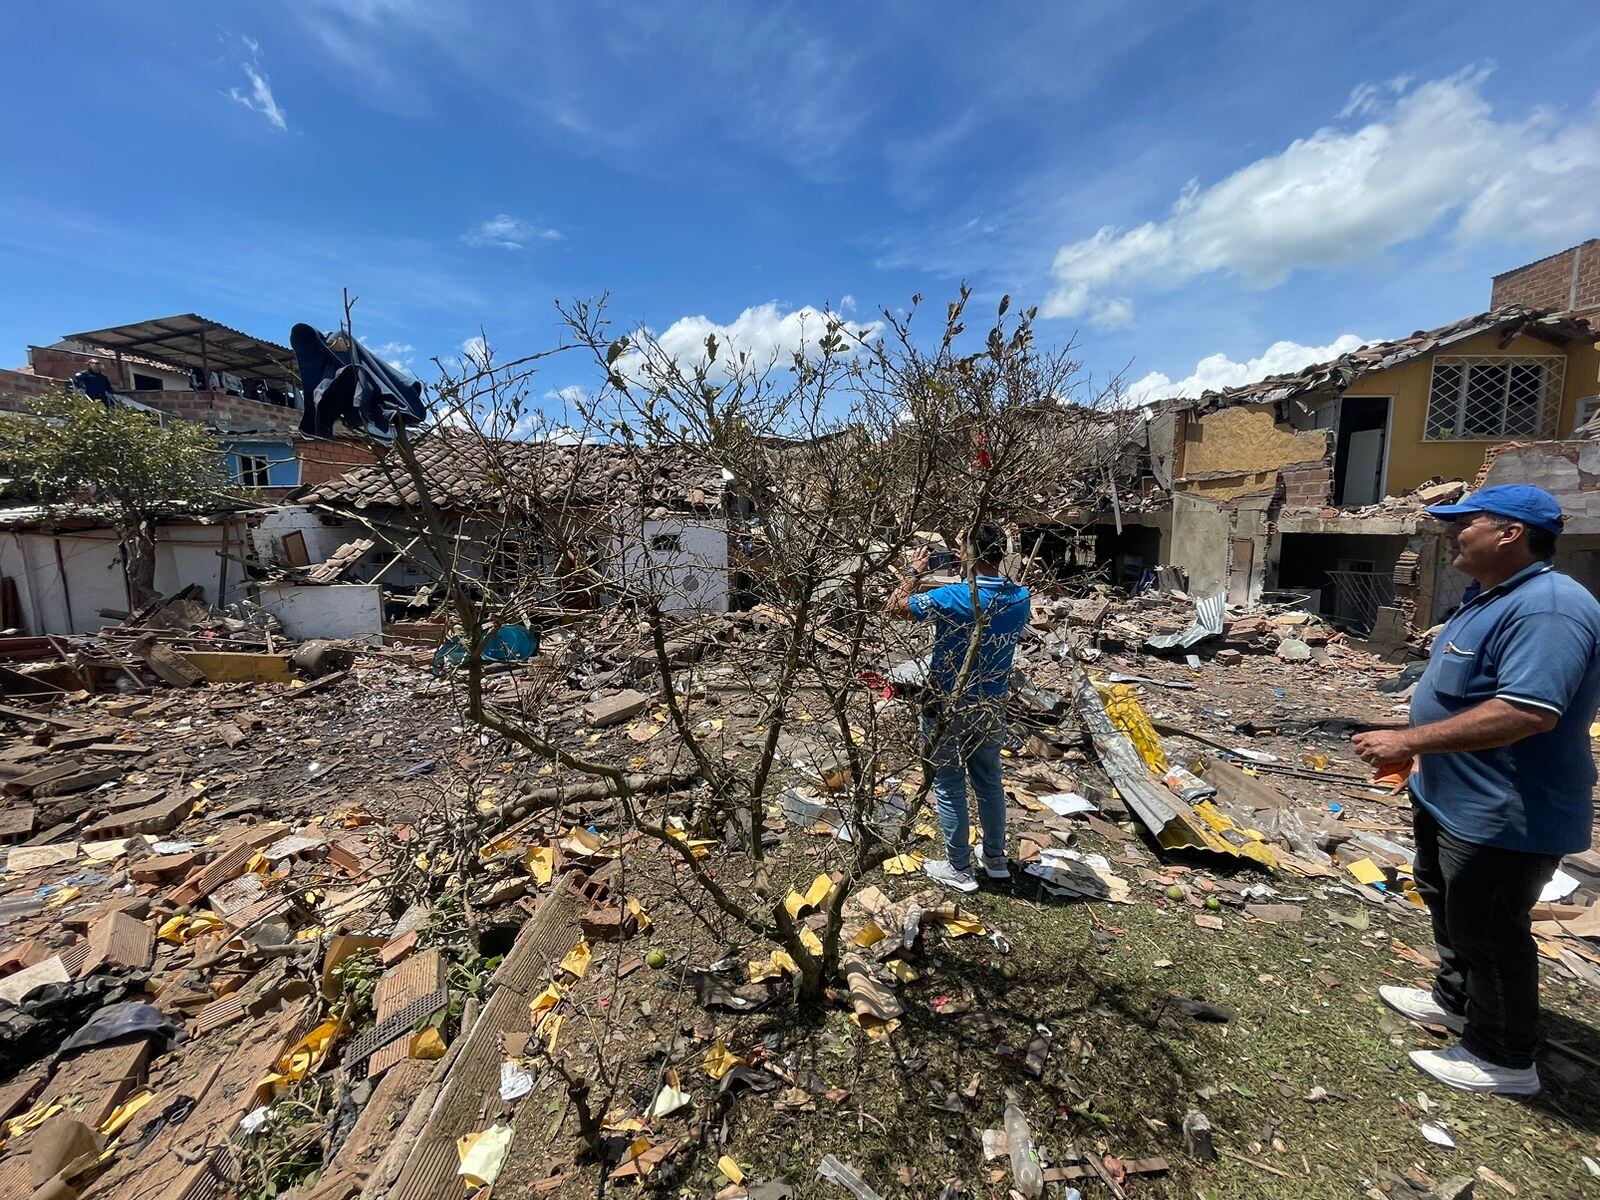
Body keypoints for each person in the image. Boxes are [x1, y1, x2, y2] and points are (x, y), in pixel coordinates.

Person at [1353, 484, 1600, 1095]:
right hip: (1453, 799)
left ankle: (1504, 1057)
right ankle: (1456, 1000)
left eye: (1466, 522)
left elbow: (1528, 712)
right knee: (1449, 902)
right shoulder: (1491, 596)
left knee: (1491, 930)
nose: (1452, 532)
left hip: (1505, 811)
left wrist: (1410, 741)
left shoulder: (1548, 609)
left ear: (1510, 533)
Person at [887, 521, 1031, 892]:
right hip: (992, 702)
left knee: (949, 784)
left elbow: (895, 606)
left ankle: (959, 867)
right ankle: (996, 859)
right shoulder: (1020, 597)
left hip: (947, 702)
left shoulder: (955, 598)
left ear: (969, 553)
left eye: (961, 546)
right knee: (989, 779)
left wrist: (914, 572)